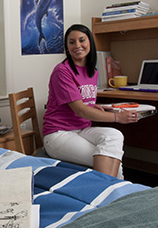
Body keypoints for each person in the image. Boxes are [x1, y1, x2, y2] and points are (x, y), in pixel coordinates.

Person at [42, 24, 139, 178]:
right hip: (58, 134)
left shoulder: (91, 71)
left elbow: (80, 101)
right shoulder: (62, 71)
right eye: (71, 42)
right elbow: (80, 110)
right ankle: (108, 194)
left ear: (90, 43)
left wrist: (93, 105)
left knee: (115, 135)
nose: (77, 46)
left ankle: (109, 190)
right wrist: (117, 117)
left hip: (81, 129)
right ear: (67, 47)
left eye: (82, 40)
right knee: (112, 162)